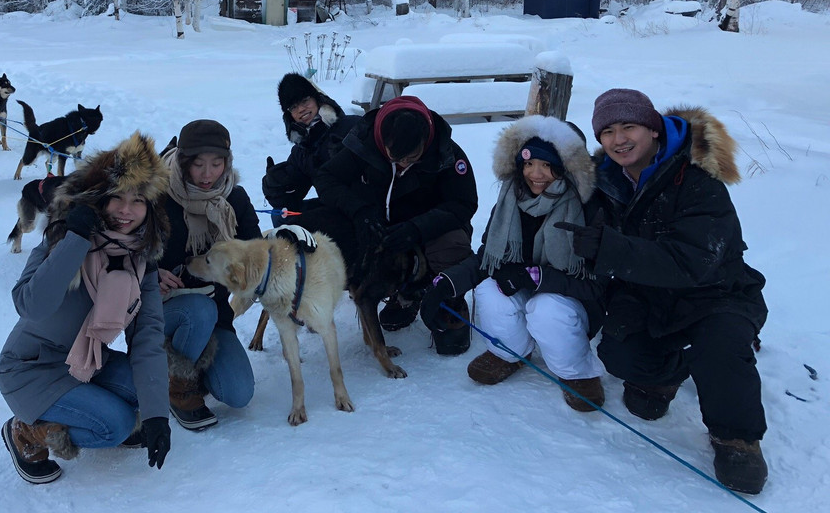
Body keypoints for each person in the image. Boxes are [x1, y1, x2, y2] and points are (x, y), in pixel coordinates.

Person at [562, 89, 769, 495]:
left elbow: (694, 261)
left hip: (716, 293)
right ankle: (667, 375)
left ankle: (736, 438)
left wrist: (611, 250)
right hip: (648, 292)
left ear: (654, 131)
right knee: (619, 352)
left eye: (629, 127)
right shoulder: (606, 183)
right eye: (607, 131)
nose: (618, 139)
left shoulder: (696, 179)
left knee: (721, 352)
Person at [0, 132, 173, 484]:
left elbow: (148, 340)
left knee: (149, 395)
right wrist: (75, 241)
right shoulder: (61, 241)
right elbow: (31, 306)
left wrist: (156, 417)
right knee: (116, 425)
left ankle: (89, 409)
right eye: (116, 197)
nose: (126, 210)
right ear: (97, 200)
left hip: (87, 361)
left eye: (138, 200)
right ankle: (26, 430)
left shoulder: (141, 261)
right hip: (32, 369)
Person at [419, 116, 607, 411]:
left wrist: (537, 277)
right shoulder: (510, 199)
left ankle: (576, 372)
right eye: (529, 163)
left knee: (545, 309)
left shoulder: (587, 208)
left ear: (566, 168)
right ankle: (509, 353)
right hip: (526, 285)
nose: (536, 174)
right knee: (489, 291)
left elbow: (598, 286)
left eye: (547, 165)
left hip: (570, 301)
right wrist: (446, 283)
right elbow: (486, 258)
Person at [312, 95, 478, 354]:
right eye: (394, 158)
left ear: (425, 141)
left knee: (453, 245)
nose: (402, 165)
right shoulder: (365, 142)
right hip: (380, 223)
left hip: (427, 226)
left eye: (412, 158)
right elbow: (326, 178)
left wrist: (418, 227)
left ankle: (449, 298)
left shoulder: (446, 152)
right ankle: (401, 296)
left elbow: (464, 204)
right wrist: (360, 210)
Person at [157, 119, 260, 431]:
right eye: (198, 164)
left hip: (214, 315)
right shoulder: (157, 198)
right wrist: (149, 274)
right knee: (197, 310)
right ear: (182, 161)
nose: (207, 174)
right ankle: (177, 386)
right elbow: (123, 253)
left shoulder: (235, 200)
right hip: (161, 313)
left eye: (217, 164)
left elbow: (255, 252)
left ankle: (192, 362)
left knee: (238, 393)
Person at [261, 73, 360, 215]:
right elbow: (290, 200)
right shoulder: (302, 150)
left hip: (366, 206)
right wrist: (274, 184)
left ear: (317, 99)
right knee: (283, 217)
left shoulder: (352, 126)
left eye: (305, 101)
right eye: (293, 107)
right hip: (337, 209)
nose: (301, 109)